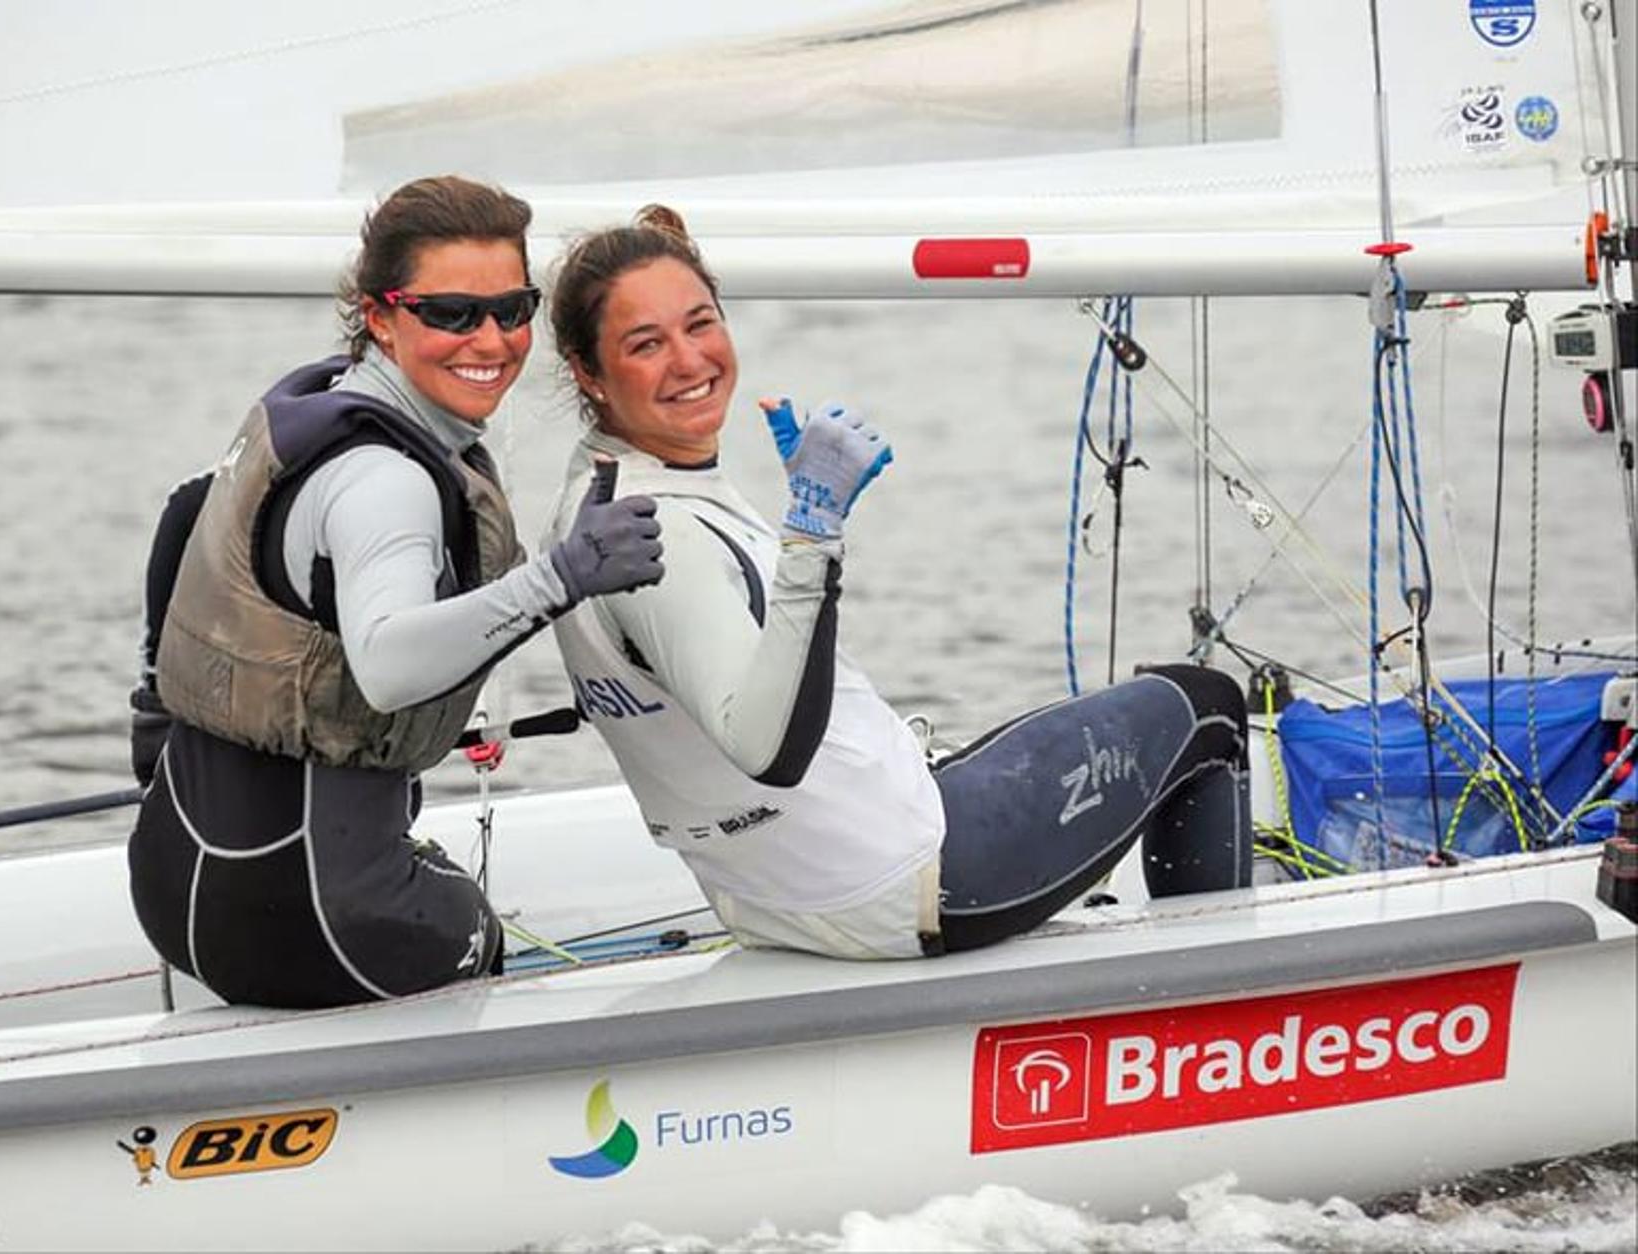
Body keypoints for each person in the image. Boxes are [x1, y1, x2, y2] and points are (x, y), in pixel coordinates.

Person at [542, 206, 1252, 960]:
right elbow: (767, 750)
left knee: (987, 749)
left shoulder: (597, 498)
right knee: (1206, 705)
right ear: (588, 371)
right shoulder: (660, 534)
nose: (690, 360)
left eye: (701, 323)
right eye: (646, 344)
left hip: (774, 896)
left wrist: (798, 532)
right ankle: (1231, 1005)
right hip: (897, 886)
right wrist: (813, 533)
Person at [125, 177, 665, 1007]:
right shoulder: (385, 481)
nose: (490, 339)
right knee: (472, 926)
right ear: (381, 316)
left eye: (513, 309)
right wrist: (561, 577)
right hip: (318, 919)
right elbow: (384, 669)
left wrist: (153, 716)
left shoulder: (324, 405)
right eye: (449, 313)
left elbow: (187, 511)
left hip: (173, 878)